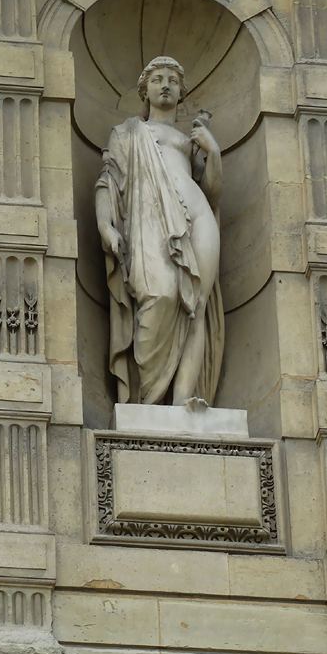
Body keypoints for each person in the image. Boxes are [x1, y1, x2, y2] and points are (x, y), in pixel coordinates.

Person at [95, 55, 224, 406]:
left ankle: (184, 400)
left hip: (197, 216)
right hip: (150, 221)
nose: (165, 84)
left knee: (196, 304)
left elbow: (212, 191)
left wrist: (213, 153)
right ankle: (145, 401)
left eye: (172, 79)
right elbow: (108, 182)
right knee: (162, 294)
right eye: (157, 79)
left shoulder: (191, 139)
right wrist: (105, 224)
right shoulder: (128, 133)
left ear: (182, 91)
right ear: (144, 89)